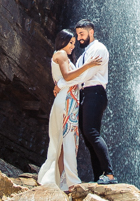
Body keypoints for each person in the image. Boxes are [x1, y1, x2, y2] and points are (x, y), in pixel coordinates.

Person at [37, 29, 102, 191]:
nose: (73, 46)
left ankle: (57, 181)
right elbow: (67, 76)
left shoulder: (63, 56)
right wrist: (88, 66)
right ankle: (71, 181)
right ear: (62, 41)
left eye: (74, 43)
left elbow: (70, 79)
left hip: (70, 101)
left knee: (64, 144)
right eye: (70, 42)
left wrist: (61, 84)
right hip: (66, 101)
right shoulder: (60, 54)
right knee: (67, 141)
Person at [72, 19, 117, 185]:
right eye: (77, 35)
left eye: (82, 34)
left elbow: (86, 74)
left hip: (95, 92)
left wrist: (68, 81)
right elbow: (79, 76)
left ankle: (109, 174)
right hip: (86, 94)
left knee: (91, 132)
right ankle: (99, 176)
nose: (79, 38)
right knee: (88, 136)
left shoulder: (99, 49)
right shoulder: (84, 55)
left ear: (91, 32)